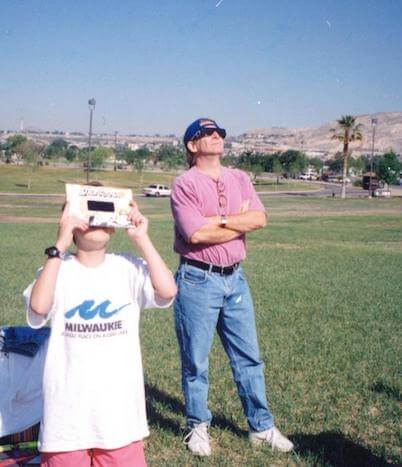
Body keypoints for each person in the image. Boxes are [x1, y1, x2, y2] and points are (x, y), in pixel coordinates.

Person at [24, 194, 177, 467]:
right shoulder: (56, 269)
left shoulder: (128, 268)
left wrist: (141, 239)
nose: (95, 220)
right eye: (85, 211)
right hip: (66, 418)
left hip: (120, 416)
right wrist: (59, 245)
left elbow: (167, 290)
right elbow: (38, 307)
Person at [170, 118, 293, 456]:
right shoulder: (184, 183)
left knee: (249, 357)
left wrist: (219, 222)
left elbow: (260, 218)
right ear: (192, 146)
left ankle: (261, 427)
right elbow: (195, 234)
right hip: (197, 279)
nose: (216, 136)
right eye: (206, 133)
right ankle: (197, 426)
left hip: (235, 278)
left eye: (219, 132)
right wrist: (238, 224)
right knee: (196, 361)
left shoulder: (239, 177)